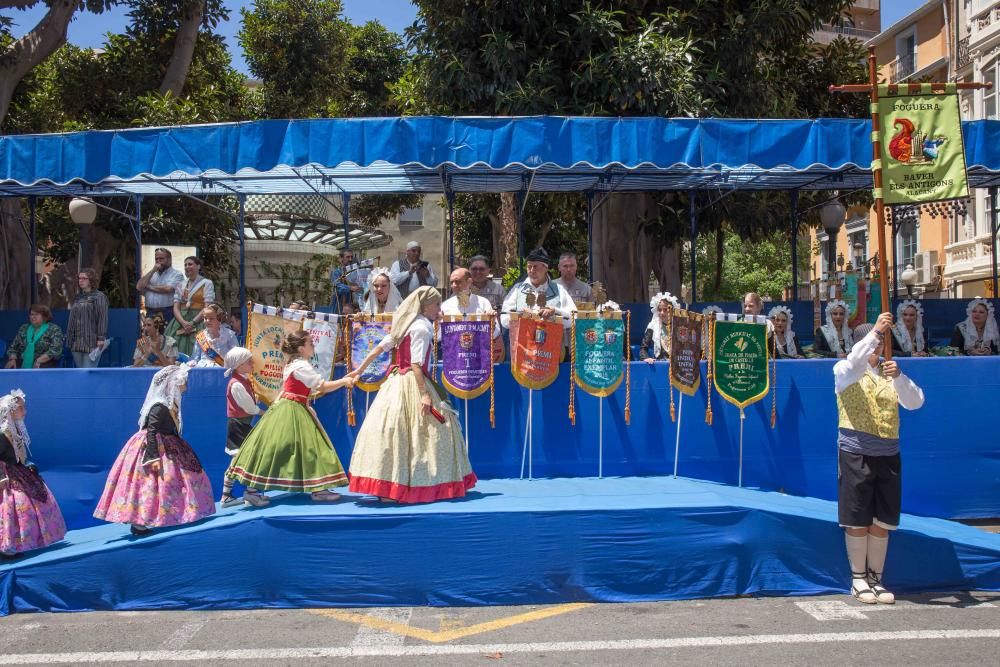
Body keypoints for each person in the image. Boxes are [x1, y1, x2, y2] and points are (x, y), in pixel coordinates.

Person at [349, 286, 477, 503]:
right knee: (427, 434)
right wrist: (424, 394)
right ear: (426, 305)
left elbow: (379, 348)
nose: (439, 308)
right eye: (436, 304)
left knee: (393, 432)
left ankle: (388, 486)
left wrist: (359, 370)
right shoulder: (421, 327)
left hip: (397, 380)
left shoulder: (406, 324)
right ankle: (421, 484)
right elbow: (417, 364)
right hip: (413, 381)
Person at [834, 314, 924, 605]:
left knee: (882, 519)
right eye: (873, 344)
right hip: (856, 451)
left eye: (881, 344)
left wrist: (899, 377)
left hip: (887, 453)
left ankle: (876, 576)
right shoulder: (845, 370)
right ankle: (858, 577)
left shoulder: (891, 374)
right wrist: (873, 331)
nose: (877, 349)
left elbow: (915, 402)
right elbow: (856, 361)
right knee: (857, 515)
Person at [226, 330, 355, 501]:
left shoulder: (293, 364)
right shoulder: (301, 366)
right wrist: (344, 381)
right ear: (301, 348)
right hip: (292, 409)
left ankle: (315, 489)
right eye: (310, 343)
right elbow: (321, 387)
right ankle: (317, 490)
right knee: (308, 448)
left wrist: (306, 404)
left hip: (292, 406)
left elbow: (298, 389)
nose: (313, 346)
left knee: (283, 449)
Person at [93, 365, 216, 536]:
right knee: (148, 484)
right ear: (173, 383)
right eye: (183, 382)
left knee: (176, 481)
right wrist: (152, 455)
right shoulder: (159, 405)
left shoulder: (169, 404)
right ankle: (139, 522)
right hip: (154, 445)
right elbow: (152, 430)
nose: (185, 386)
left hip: (168, 443)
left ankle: (171, 515)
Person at [0, 390, 66, 559]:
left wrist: (27, 464)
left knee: (31, 502)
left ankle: (18, 543)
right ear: (11, 411)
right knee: (11, 506)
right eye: (21, 408)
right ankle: (6, 546)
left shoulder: (15, 430)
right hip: (6, 475)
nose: (25, 411)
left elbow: (18, 455)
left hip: (17, 470)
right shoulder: (2, 433)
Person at [218, 348, 268, 508]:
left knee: (241, 460)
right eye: (249, 361)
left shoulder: (242, 381)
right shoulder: (237, 385)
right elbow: (250, 409)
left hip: (242, 425)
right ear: (239, 365)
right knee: (244, 459)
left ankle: (229, 495)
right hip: (238, 427)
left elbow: (249, 403)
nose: (253, 363)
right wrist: (266, 412)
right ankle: (248, 494)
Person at [500, 248, 576, 331]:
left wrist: (555, 312)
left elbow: (574, 318)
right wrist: (520, 315)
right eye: (529, 267)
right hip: (522, 342)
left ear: (546, 268)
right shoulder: (517, 289)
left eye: (535, 267)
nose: (532, 270)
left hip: (551, 342)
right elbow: (504, 318)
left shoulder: (559, 290)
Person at [442, 268, 504, 361]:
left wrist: (491, 322)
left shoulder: (483, 303)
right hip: (455, 359)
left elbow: (496, 333)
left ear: (469, 282)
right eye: (451, 282)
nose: (454, 285)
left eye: (458, 282)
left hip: (479, 357)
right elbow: (437, 337)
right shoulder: (445, 306)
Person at [165, 256, 215, 357]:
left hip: (199, 320)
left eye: (190, 264)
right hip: (180, 321)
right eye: (185, 265)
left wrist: (192, 323)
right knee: (174, 349)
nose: (187, 267)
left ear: (198, 266)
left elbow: (207, 307)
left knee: (201, 348)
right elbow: (176, 307)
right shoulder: (180, 285)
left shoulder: (206, 283)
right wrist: (183, 323)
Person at [66, 268, 109, 368]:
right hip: (76, 343)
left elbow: (102, 318)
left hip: (91, 342)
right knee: (80, 373)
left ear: (91, 280)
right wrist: (70, 340)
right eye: (79, 278)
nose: (81, 280)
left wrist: (101, 338)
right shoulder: (78, 297)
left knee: (88, 372)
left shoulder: (99, 296)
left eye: (84, 278)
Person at [5, 305, 63, 369]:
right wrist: (12, 359)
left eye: (36, 314)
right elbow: (13, 348)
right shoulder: (24, 328)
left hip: (45, 362)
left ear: (45, 316)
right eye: (31, 314)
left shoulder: (54, 329)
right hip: (22, 362)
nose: (33, 317)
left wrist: (39, 360)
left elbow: (56, 349)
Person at [135, 248, 183, 322]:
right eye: (156, 259)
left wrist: (148, 286)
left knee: (166, 334)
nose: (158, 261)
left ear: (169, 259)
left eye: (161, 258)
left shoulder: (177, 274)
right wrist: (152, 271)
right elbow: (139, 287)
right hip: (150, 312)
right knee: (150, 334)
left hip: (168, 312)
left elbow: (167, 289)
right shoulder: (151, 274)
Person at [639, 291, 680, 362]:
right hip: (660, 365)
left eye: (665, 309)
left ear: (672, 310)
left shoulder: (679, 325)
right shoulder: (653, 325)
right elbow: (643, 348)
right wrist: (646, 358)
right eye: (660, 310)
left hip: (677, 365)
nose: (662, 313)